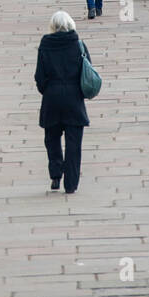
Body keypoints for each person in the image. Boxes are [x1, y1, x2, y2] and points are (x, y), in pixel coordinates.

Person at [34, 11, 92, 194]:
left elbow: (40, 77)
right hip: (74, 98)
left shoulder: (45, 45)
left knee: (52, 138)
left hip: (52, 98)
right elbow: (88, 70)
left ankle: (56, 174)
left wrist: (47, 90)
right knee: (74, 143)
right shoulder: (78, 45)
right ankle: (71, 183)